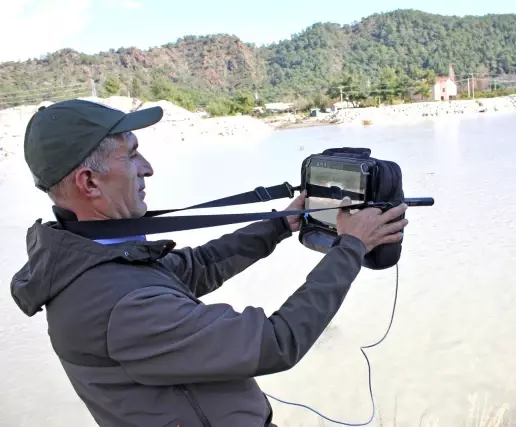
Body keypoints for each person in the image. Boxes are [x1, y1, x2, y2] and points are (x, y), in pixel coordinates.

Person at [9, 99, 409, 427]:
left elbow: (195, 267)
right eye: (131, 155)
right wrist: (352, 247)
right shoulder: (118, 303)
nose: (148, 167)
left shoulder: (89, 256)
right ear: (89, 182)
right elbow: (277, 342)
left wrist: (278, 226)